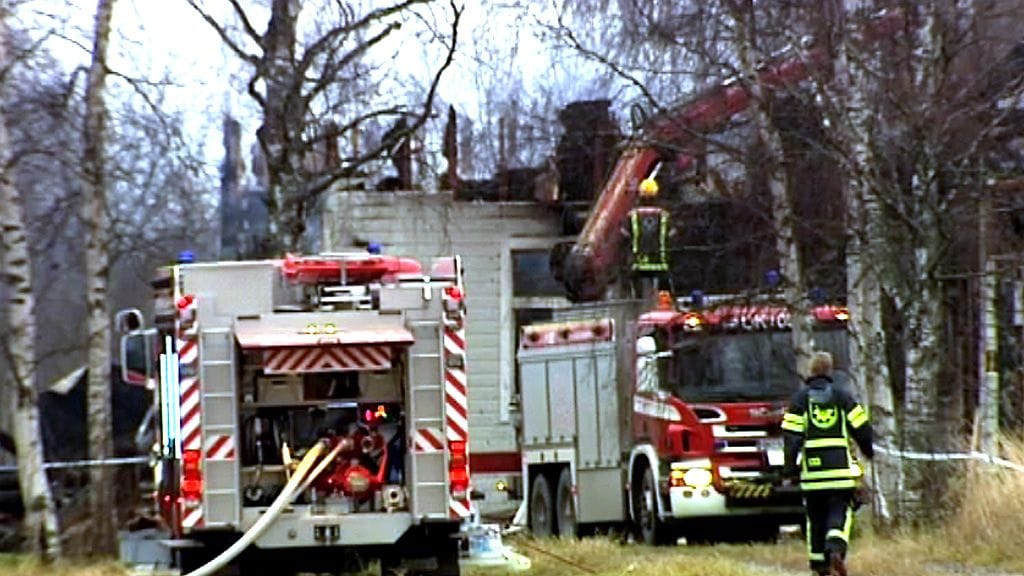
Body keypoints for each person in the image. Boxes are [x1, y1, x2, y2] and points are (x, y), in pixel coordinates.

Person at [781, 351, 873, 576]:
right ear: (830, 371)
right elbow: (861, 427)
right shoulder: (843, 397)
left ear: (810, 371)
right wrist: (868, 451)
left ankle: (819, 566)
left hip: (812, 475)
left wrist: (789, 469)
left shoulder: (800, 400)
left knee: (815, 519)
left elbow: (791, 438)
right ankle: (835, 549)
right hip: (840, 471)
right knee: (839, 513)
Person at [623, 177, 674, 299]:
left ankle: (637, 305)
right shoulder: (664, 215)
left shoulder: (632, 215)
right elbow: (672, 234)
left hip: (638, 264)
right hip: (661, 263)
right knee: (666, 297)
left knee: (636, 295)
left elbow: (625, 234)